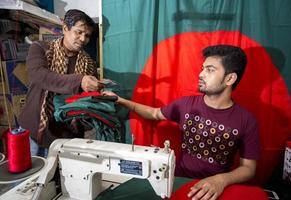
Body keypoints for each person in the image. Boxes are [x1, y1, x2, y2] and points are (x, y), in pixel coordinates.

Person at [103, 45, 260, 200]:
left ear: (230, 78)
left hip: (213, 191)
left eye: (210, 70)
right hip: (177, 182)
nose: (201, 74)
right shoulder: (185, 104)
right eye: (202, 68)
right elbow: (154, 113)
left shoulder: (246, 120)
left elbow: (248, 168)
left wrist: (221, 180)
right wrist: (120, 100)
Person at [19, 9, 102, 157]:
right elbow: (40, 76)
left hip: (67, 138)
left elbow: (86, 102)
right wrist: (79, 80)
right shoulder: (40, 49)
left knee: (63, 179)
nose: (83, 39)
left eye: (87, 35)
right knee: (31, 178)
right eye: (79, 32)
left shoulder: (89, 64)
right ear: (65, 29)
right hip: (34, 130)